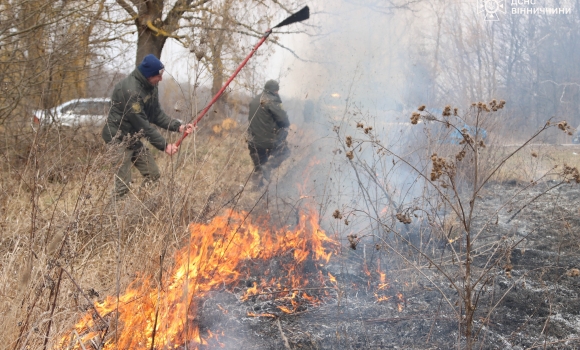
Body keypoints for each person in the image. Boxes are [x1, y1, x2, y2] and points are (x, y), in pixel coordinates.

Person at [102, 54, 193, 198]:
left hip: (132, 137)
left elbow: (156, 114)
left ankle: (138, 209)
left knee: (153, 174)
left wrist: (178, 126)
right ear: (149, 75)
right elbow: (142, 124)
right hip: (118, 138)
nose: (161, 79)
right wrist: (164, 145)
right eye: (158, 75)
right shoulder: (131, 91)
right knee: (122, 187)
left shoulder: (151, 86)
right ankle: (109, 218)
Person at [247, 80, 290, 186]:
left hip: (253, 142)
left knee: (259, 167)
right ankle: (269, 166)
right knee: (285, 152)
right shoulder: (272, 101)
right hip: (269, 142)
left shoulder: (255, 100)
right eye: (277, 90)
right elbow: (284, 121)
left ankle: (256, 190)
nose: (278, 93)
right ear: (274, 91)